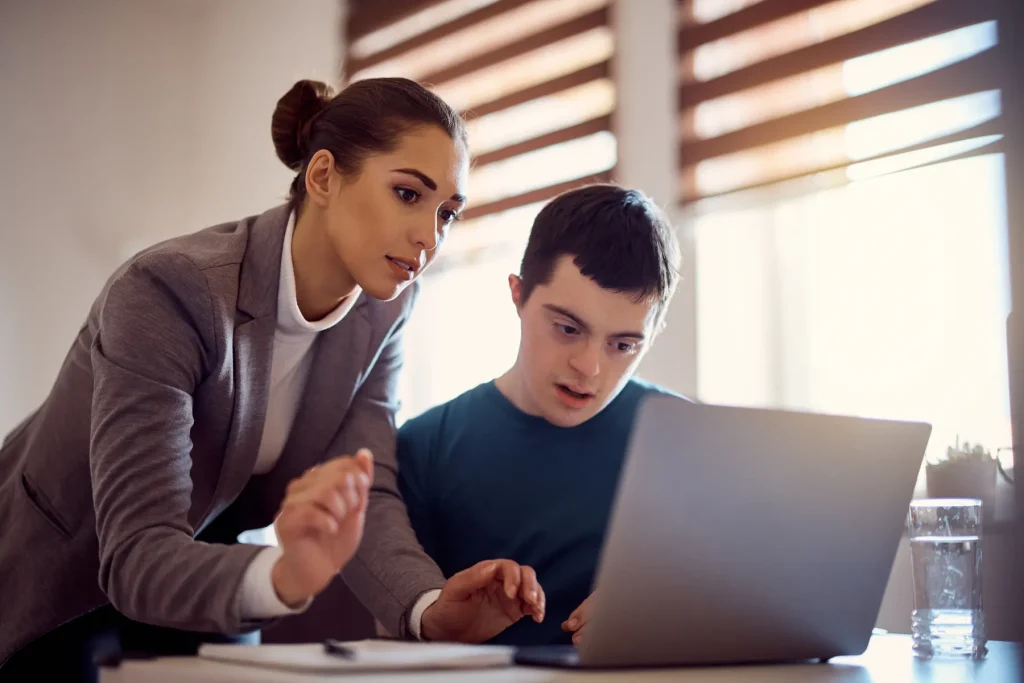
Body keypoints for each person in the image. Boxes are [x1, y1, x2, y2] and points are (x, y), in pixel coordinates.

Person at [0, 77, 543, 681]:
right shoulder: (168, 290)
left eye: (447, 212)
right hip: (54, 588)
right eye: (408, 194)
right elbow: (136, 553)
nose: (429, 236)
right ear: (323, 177)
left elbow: (364, 490)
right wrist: (285, 574)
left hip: (197, 587)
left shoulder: (383, 309)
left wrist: (430, 608)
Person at [393, 184, 685, 647]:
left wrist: (673, 611)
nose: (589, 367)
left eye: (623, 345)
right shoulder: (423, 447)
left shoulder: (691, 441)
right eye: (568, 328)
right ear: (518, 294)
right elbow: (399, 642)